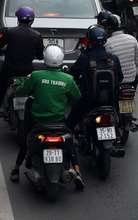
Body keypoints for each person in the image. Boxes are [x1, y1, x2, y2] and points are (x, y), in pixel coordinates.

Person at [10, 44, 84, 189]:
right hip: (59, 122)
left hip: (38, 121)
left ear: (45, 59)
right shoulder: (68, 79)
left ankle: (16, 169)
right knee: (70, 143)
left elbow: (22, 90)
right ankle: (78, 173)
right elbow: (77, 96)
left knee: (26, 141)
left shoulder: (37, 76)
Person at [0, 6, 43, 132]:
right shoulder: (37, 35)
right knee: (34, 95)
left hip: (9, 71)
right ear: (32, 20)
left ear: (18, 19)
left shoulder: (10, 32)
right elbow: (40, 55)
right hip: (27, 72)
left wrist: (3, 50)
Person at [67, 25, 123, 130]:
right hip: (110, 101)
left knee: (70, 123)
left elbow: (72, 75)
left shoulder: (84, 58)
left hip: (88, 100)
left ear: (90, 40)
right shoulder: (113, 58)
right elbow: (120, 77)